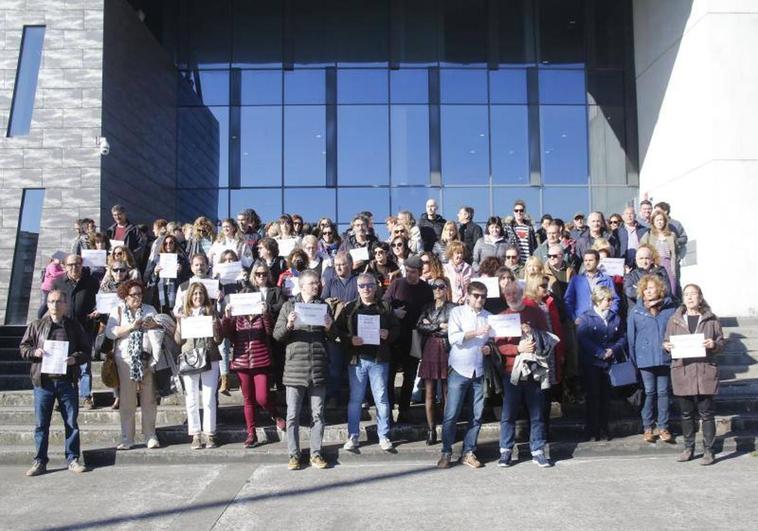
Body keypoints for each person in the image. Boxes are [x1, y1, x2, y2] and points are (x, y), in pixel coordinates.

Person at [20, 289, 91, 476]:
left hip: (67, 381)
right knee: (41, 424)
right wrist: (34, 352)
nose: (55, 305)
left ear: (65, 304)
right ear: (47, 304)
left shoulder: (74, 326)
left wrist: (75, 358)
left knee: (71, 423)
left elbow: (86, 350)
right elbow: (23, 347)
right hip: (43, 383)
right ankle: (40, 461)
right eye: (52, 301)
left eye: (59, 301)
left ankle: (73, 459)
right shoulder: (36, 325)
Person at [273, 270, 334, 470]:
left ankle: (316, 454)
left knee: (318, 414)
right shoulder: (288, 306)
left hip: (318, 368)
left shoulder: (324, 307)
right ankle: (294, 455)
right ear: (301, 286)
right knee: (292, 415)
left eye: (317, 283)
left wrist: (329, 327)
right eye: (311, 283)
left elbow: (333, 337)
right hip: (294, 368)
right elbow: (277, 336)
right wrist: (289, 324)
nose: (316, 286)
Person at [337, 273, 400, 452]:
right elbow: (337, 331)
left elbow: (397, 329)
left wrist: (388, 334)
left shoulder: (385, 307)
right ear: (357, 288)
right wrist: (350, 339)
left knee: (381, 399)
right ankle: (353, 436)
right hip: (357, 360)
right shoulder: (349, 308)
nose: (366, 289)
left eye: (370, 285)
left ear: (376, 286)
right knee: (355, 400)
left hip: (379, 360)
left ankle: (384, 436)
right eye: (363, 286)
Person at [494, 282, 553, 468]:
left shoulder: (535, 312)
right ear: (504, 296)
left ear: (522, 294)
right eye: (508, 294)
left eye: (515, 293)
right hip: (511, 371)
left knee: (536, 414)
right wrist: (517, 348)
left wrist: (532, 333)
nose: (511, 296)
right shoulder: (502, 317)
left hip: (534, 370)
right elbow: (498, 345)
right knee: (508, 414)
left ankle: (537, 451)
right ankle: (505, 451)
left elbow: (547, 336)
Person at [664, 284, 724, 465]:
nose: (690, 298)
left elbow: (722, 343)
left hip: (705, 371)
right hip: (683, 371)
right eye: (686, 294)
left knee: (707, 413)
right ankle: (688, 448)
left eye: (693, 294)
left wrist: (713, 344)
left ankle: (708, 450)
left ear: (700, 297)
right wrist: (666, 346)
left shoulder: (711, 319)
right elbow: (667, 341)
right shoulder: (674, 320)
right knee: (686, 413)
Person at [437, 281, 491, 469]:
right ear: (467, 295)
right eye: (476, 295)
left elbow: (492, 341)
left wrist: (488, 347)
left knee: (477, 415)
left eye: (483, 296)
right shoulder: (457, 312)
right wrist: (477, 332)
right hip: (459, 370)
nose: (479, 299)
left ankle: (469, 452)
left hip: (479, 370)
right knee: (451, 414)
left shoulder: (489, 316)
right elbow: (454, 338)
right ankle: (446, 451)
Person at [222, 287, 286, 448]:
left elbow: (270, 332)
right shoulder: (238, 317)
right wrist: (227, 318)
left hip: (260, 360)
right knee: (248, 399)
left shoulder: (260, 314)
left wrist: (265, 314)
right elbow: (228, 335)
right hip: (242, 362)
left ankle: (275, 414)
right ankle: (251, 433)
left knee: (262, 397)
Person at [105, 279, 161, 450]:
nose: (137, 297)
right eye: (133, 295)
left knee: (149, 399)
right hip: (125, 360)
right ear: (125, 296)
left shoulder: (150, 309)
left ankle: (150, 435)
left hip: (147, 359)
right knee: (127, 400)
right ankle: (127, 437)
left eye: (139, 294)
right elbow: (110, 332)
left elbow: (161, 329)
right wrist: (131, 326)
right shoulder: (118, 311)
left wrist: (155, 325)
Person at [384, 255, 434, 423]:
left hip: (414, 335)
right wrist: (394, 313)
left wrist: (426, 319)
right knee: (389, 375)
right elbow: (384, 304)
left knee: (410, 375)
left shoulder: (426, 289)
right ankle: (389, 409)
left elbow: (430, 310)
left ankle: (404, 409)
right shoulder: (397, 284)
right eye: (407, 271)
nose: (409, 275)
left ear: (420, 272)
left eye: (413, 272)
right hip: (395, 335)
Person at [628, 274, 677, 444]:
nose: (649, 291)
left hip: (664, 357)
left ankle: (663, 426)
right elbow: (631, 339)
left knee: (663, 392)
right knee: (649, 392)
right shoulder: (636, 311)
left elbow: (674, 333)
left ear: (659, 289)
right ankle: (648, 427)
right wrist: (635, 362)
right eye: (646, 289)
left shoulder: (670, 310)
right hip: (645, 359)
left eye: (652, 288)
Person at [174, 282, 223, 450]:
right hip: (190, 358)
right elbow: (178, 341)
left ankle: (210, 433)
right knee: (192, 398)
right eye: (195, 294)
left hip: (210, 356)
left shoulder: (211, 312)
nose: (198, 297)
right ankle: (195, 434)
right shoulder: (184, 314)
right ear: (189, 296)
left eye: (201, 293)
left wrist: (215, 327)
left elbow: (219, 340)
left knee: (209, 398)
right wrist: (179, 324)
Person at [575, 286, 626, 441]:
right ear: (598, 300)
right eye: (607, 300)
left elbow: (622, 337)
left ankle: (604, 428)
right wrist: (599, 352)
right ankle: (592, 429)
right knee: (593, 397)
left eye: (610, 299)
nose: (610, 302)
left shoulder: (615, 317)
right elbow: (583, 338)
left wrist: (613, 350)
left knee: (605, 398)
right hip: (592, 363)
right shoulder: (586, 317)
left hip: (609, 362)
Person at [52, 254, 99, 410]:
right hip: (63, 329)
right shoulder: (57, 282)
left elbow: (99, 301)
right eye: (70, 264)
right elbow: (50, 303)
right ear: (65, 266)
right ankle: (63, 398)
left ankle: (86, 396)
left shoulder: (91, 281)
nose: (74, 267)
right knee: (63, 364)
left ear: (82, 264)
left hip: (85, 327)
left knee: (84, 364)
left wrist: (97, 312)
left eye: (77, 264)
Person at [416, 277, 455, 445]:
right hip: (430, 348)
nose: (438, 290)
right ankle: (431, 430)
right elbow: (419, 326)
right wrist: (439, 326)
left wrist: (431, 325)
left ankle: (447, 429)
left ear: (447, 288)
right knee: (430, 392)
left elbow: (455, 329)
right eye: (435, 287)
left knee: (447, 392)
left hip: (446, 349)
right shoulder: (427, 307)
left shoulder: (454, 308)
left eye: (441, 287)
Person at [564, 250, 620, 322]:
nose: (587, 263)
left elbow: (615, 299)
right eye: (585, 260)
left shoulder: (607, 279)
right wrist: (574, 318)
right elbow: (568, 300)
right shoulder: (576, 280)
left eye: (590, 260)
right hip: (582, 321)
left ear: (597, 261)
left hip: (602, 321)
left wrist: (609, 315)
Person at [144, 233, 190, 314]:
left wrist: (180, 272)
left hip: (174, 289)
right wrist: (155, 272)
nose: (168, 245)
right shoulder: (157, 258)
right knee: (161, 312)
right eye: (165, 243)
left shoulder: (182, 260)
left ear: (175, 244)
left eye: (171, 242)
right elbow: (148, 278)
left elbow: (186, 278)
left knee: (173, 313)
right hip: (160, 290)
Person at [640, 210, 678, 297]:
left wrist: (674, 268)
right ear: (653, 221)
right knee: (657, 288)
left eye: (661, 220)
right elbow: (642, 248)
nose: (660, 222)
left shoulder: (671, 235)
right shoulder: (648, 235)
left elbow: (675, 253)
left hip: (669, 265)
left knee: (671, 289)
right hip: (655, 264)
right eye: (657, 220)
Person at [623, 243, 672, 309]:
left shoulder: (660, 272)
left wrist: (640, 289)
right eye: (641, 258)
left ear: (652, 260)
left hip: (660, 310)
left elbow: (667, 291)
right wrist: (654, 293)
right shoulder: (631, 276)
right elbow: (629, 291)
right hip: (639, 313)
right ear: (636, 261)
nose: (644, 261)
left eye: (647, 258)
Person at [106, 205, 146, 269]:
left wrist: (129, 256)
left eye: (119, 214)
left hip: (128, 265)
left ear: (124, 214)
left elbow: (141, 246)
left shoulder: (134, 230)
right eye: (115, 215)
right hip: (114, 264)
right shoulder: (110, 230)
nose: (117, 217)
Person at [38, 255, 65, 319]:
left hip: (53, 287)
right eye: (58, 259)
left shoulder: (58, 266)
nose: (60, 260)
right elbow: (54, 274)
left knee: (52, 303)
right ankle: (39, 318)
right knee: (46, 304)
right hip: (47, 288)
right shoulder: (51, 265)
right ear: (54, 259)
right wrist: (65, 271)